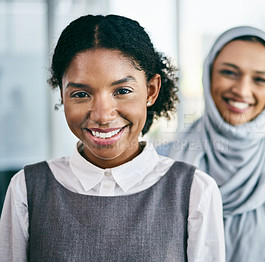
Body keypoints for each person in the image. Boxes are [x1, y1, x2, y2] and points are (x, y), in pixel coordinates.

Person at [0, 14, 225, 262]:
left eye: (122, 91)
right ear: (62, 96)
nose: (102, 115)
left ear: (151, 91)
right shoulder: (27, 190)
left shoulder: (195, 191)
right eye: (81, 94)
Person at [158, 26, 265, 261]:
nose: (242, 90)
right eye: (229, 72)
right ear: (208, 74)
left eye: (259, 79)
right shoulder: (165, 163)